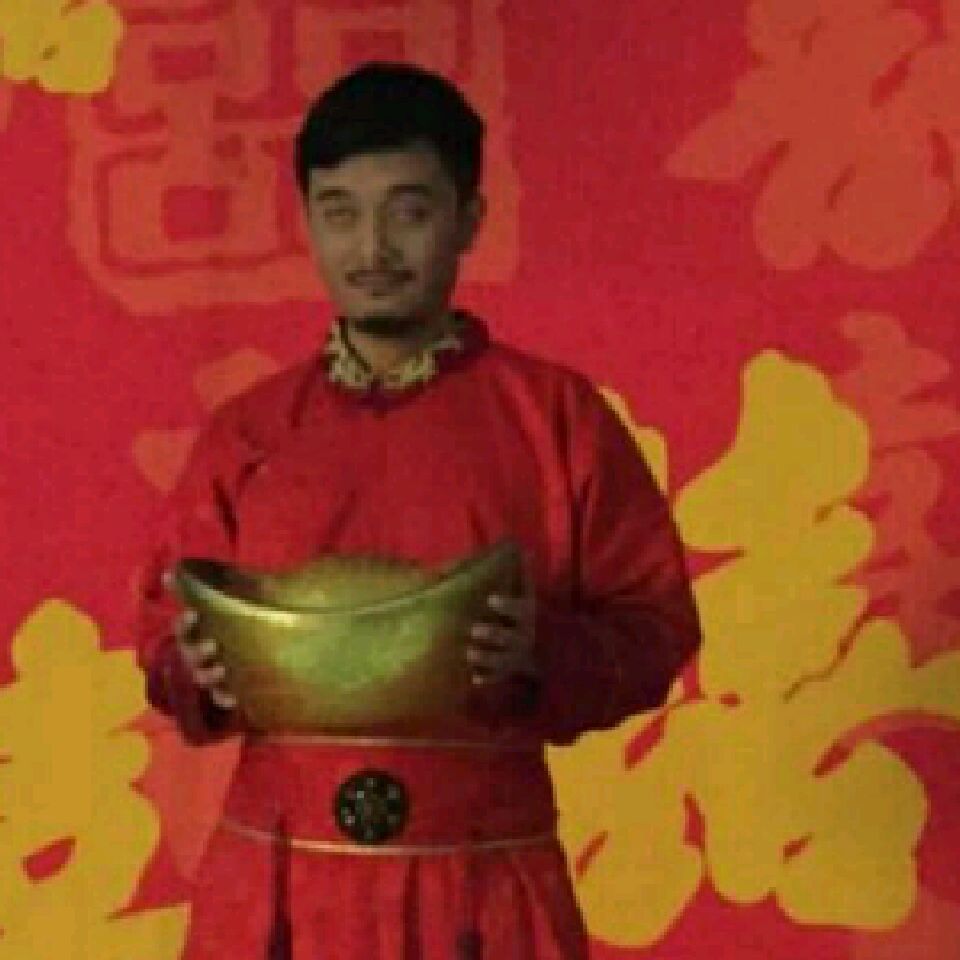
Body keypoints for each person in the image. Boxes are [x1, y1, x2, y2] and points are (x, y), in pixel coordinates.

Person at [131, 61, 702, 960]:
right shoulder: (249, 432)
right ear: (307, 220)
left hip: (482, 875)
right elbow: (164, 627)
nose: (373, 248)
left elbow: (654, 624)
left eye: (409, 210)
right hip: (277, 881)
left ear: (469, 218)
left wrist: (540, 651)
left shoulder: (555, 418)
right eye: (340, 212)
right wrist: (195, 666)